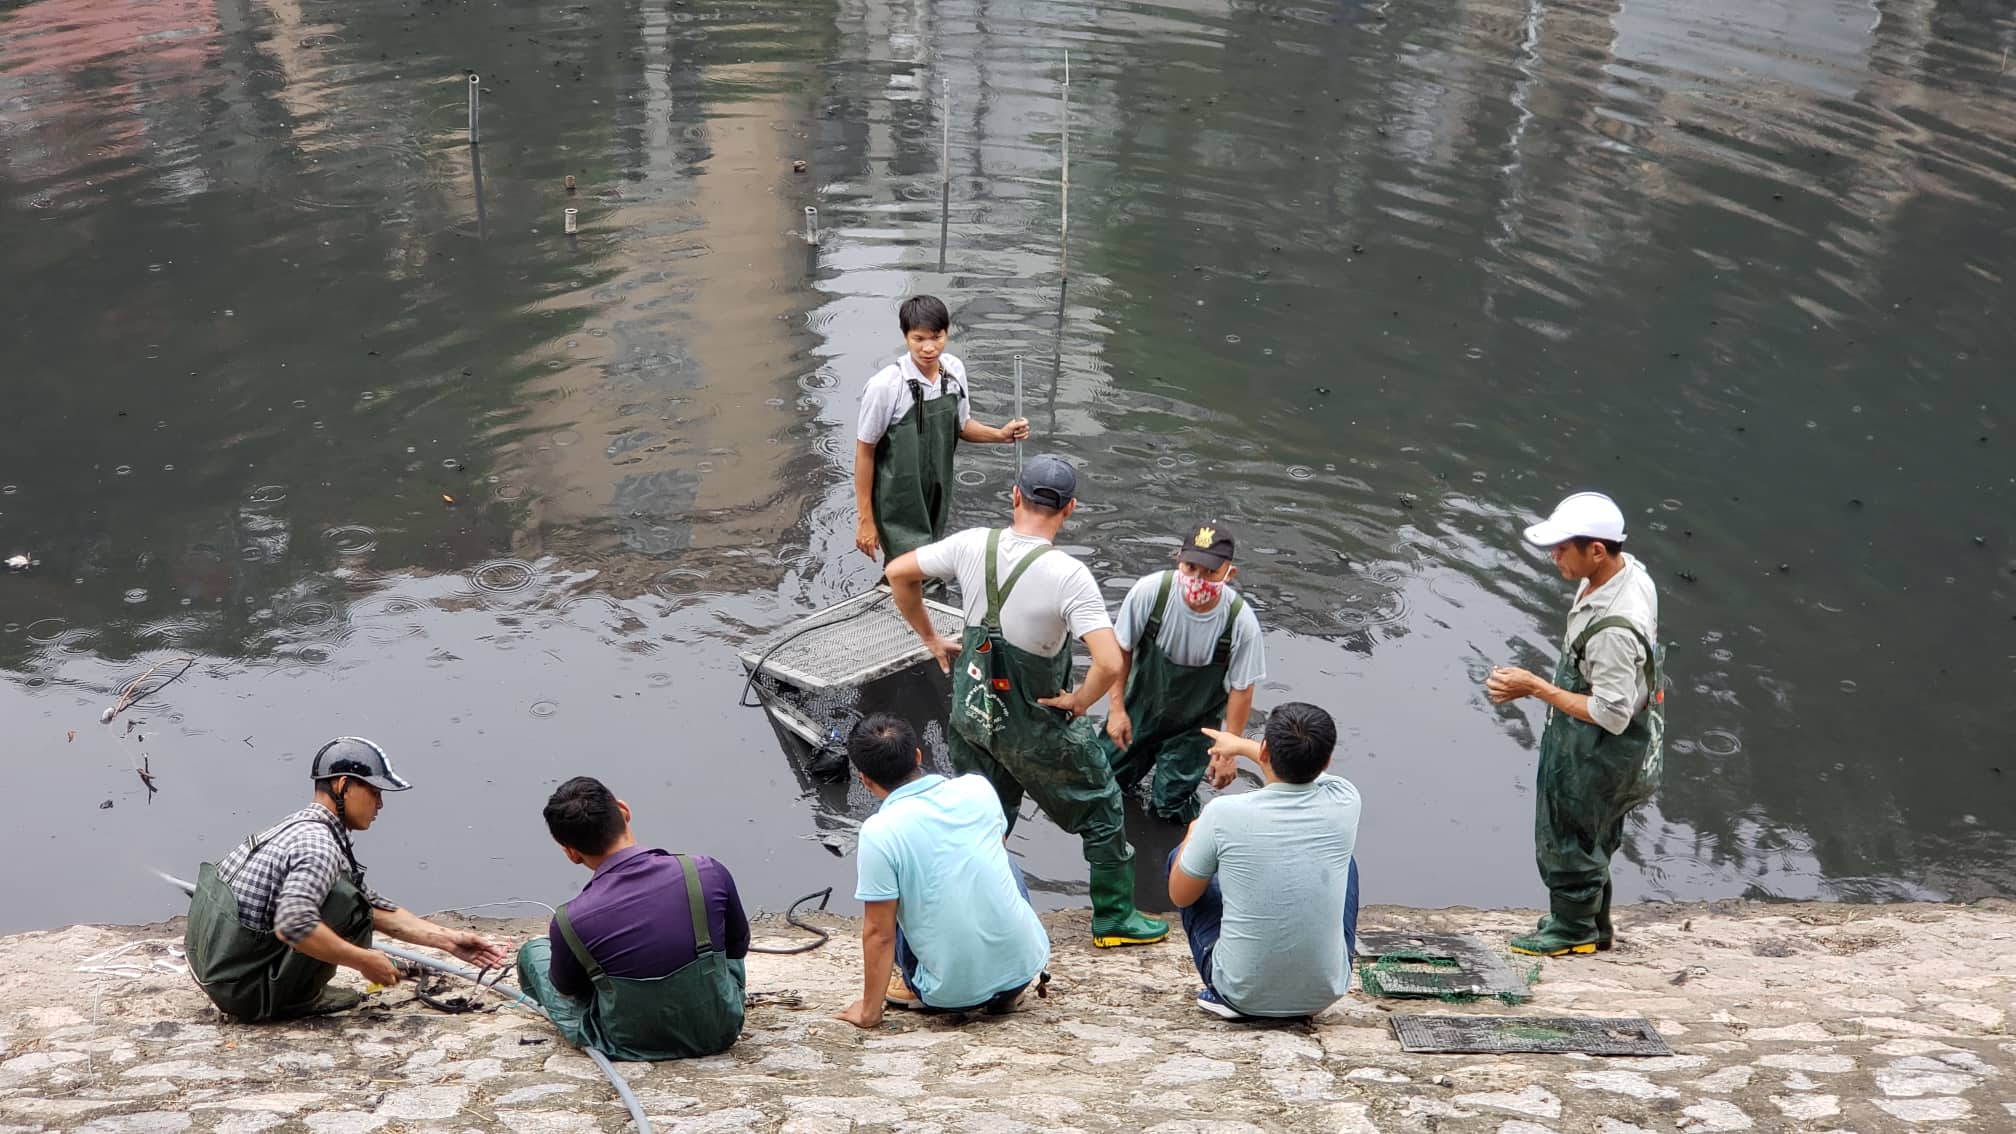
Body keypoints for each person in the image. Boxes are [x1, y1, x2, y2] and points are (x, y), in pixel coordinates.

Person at [885, 454, 1168, 947]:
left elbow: (897, 572)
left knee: (986, 814)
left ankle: (966, 910)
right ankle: (1115, 920)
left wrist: (931, 639)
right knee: (1101, 806)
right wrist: (1080, 702)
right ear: (1071, 509)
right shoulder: (1069, 575)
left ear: (1014, 496)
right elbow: (1109, 662)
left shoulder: (972, 544)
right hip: (1035, 728)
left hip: (973, 715)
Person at [184, 737, 507, 1022]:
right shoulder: (319, 847)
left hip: (224, 975)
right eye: (374, 791)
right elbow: (293, 926)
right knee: (341, 904)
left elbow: (370, 906)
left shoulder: (303, 827)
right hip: (247, 994)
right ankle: (292, 999)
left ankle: (281, 986)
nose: (380, 804)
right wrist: (364, 961)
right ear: (342, 786)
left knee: (348, 899)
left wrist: (448, 940)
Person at [1485, 491, 1664, 957]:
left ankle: (1572, 932)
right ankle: (1588, 919)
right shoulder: (1627, 573)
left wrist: (1535, 687)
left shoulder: (1616, 629)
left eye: (1563, 548)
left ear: (1597, 551)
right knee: (1593, 831)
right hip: (1605, 735)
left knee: (1567, 832)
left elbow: (1611, 713)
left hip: (1599, 744)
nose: (1554, 556)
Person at [836, 715, 1049, 1029]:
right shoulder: (977, 788)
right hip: (1025, 969)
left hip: (950, 996)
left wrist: (869, 1012)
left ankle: (915, 986)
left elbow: (879, 934)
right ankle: (1005, 990)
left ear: (865, 780)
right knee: (998, 855)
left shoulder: (879, 832)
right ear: (919, 756)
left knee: (889, 900)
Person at [516, 777, 750, 1060]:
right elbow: (736, 948)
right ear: (624, 811)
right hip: (719, 1028)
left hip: (631, 1043)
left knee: (534, 952)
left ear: (570, 853)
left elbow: (569, 993)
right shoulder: (705, 871)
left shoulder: (570, 919)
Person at [1168, 703, 1361, 1020]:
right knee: (1345, 862)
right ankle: (1303, 984)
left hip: (1240, 995)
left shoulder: (1223, 813)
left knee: (1184, 856)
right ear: (1327, 760)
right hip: (1323, 993)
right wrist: (1243, 746)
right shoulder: (1346, 799)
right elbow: (1310, 771)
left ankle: (1225, 994)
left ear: (1266, 750)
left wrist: (1193, 833)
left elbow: (1180, 896)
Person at [1102, 522, 1265, 824]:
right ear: (1178, 559)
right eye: (1191, 568)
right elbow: (1120, 650)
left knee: (1170, 807)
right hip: (1140, 708)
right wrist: (1116, 708)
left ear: (1230, 573)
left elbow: (1242, 690)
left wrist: (1228, 750)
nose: (1198, 580)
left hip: (1194, 726)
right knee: (1104, 783)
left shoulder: (1241, 623)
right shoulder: (1151, 593)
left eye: (1210, 573)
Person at [853, 295, 1031, 564]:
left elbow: (961, 426)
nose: (929, 348)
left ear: (946, 333)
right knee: (916, 571)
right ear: (905, 336)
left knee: (919, 567)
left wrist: (1000, 435)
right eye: (919, 339)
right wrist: (865, 518)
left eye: (936, 337)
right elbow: (865, 451)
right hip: (898, 499)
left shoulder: (954, 371)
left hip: (938, 491)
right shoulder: (885, 386)